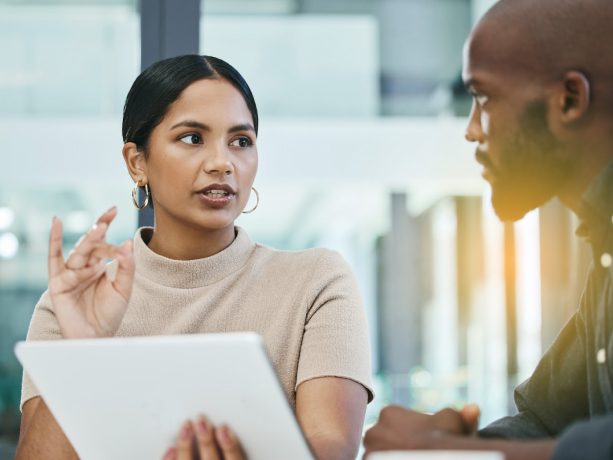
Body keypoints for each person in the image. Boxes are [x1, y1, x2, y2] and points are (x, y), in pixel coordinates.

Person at [15, 55, 373, 460]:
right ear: (137, 162)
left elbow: (331, 450)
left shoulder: (317, 282)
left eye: (241, 141)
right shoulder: (73, 304)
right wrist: (81, 349)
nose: (223, 163)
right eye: (192, 138)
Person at [363, 0, 613, 459]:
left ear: (569, 100)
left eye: (484, 98)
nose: (472, 130)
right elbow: (545, 418)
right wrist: (453, 444)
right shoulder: (605, 248)